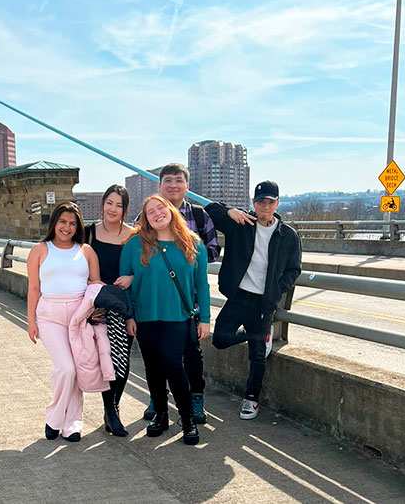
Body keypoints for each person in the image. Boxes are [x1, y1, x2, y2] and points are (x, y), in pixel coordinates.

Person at [205, 180, 301, 420]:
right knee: (220, 339)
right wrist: (230, 211)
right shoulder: (242, 223)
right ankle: (259, 336)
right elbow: (209, 211)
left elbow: (294, 269)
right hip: (239, 295)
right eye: (260, 202)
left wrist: (277, 290)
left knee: (257, 356)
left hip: (263, 302)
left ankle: (251, 398)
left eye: (270, 202)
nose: (265, 206)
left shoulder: (288, 235)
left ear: (277, 204)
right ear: (253, 203)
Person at [121, 194, 211, 445]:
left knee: (173, 364)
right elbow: (124, 282)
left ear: (171, 210)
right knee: (152, 368)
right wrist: (129, 317)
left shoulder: (193, 244)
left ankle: (187, 419)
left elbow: (201, 285)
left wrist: (205, 318)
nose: (157, 214)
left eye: (160, 208)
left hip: (177, 316)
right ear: (146, 219)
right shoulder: (134, 244)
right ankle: (161, 414)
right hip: (145, 317)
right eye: (150, 212)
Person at [141, 163, 221, 425]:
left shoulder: (199, 216)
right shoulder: (148, 216)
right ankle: (158, 398)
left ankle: (196, 398)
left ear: (187, 186)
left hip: (188, 299)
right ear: (160, 186)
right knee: (157, 355)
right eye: (168, 180)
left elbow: (212, 250)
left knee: (191, 353)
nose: (173, 185)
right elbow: (138, 250)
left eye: (178, 180)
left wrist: (184, 249)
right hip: (157, 301)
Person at [26, 202, 101, 442]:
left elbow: (95, 286)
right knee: (65, 368)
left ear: (78, 227)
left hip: (79, 315)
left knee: (75, 370)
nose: (67, 227)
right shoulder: (40, 250)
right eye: (62, 222)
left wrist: (94, 312)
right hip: (50, 316)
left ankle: (72, 424)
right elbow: (34, 288)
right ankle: (54, 418)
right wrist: (31, 321)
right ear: (54, 223)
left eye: (72, 223)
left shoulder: (86, 251)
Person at [84, 185, 135, 437]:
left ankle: (112, 409)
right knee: (104, 359)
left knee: (121, 359)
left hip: (124, 307)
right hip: (96, 306)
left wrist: (132, 278)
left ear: (125, 210)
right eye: (109, 203)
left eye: (119, 205)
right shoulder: (88, 233)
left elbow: (145, 267)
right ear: (102, 203)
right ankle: (110, 411)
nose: (113, 209)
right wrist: (86, 308)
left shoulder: (134, 236)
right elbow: (75, 267)